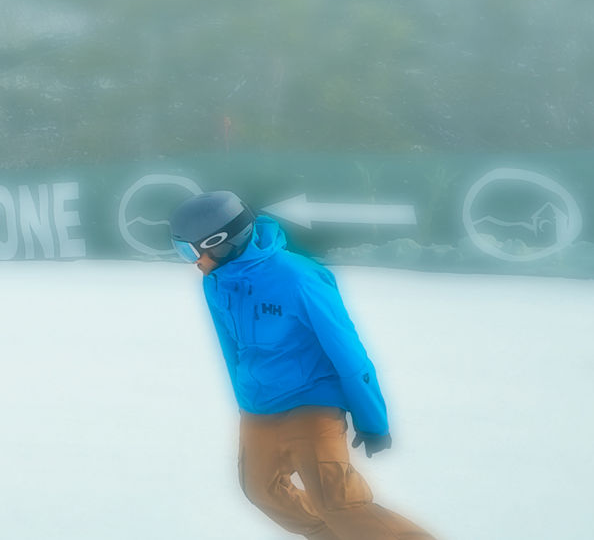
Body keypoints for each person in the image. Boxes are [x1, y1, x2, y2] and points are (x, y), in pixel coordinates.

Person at [173, 191, 431, 539]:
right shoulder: (215, 283)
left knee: (337, 501)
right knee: (261, 490)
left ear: (221, 242)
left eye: (193, 251)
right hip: (259, 404)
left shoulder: (299, 278)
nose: (194, 262)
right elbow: (230, 349)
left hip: (313, 396)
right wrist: (245, 402)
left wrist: (372, 419)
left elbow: (348, 351)